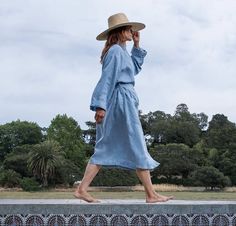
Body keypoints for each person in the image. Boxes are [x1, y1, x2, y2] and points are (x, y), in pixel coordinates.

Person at [74, 13, 173, 203]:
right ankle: (150, 194)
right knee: (135, 143)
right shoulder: (115, 52)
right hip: (119, 102)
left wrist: (136, 45)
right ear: (120, 32)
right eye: (128, 29)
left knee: (111, 146)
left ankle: (82, 189)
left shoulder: (121, 52)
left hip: (124, 100)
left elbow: (133, 69)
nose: (132, 31)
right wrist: (100, 106)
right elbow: (107, 79)